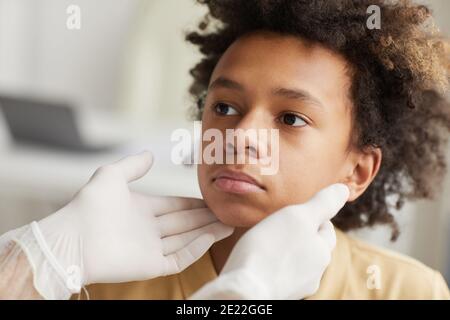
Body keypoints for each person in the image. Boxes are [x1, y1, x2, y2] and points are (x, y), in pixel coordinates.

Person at [0, 151, 347, 299]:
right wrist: (41, 260)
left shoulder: (398, 288)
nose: (242, 137)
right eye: (225, 108)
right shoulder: (96, 287)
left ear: (357, 170)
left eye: (291, 118)